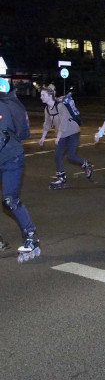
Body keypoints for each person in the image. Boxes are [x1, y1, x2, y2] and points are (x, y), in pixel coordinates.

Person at [0, 78, 40, 262]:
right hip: (11, 155)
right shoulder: (13, 104)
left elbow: (2, 137)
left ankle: (31, 237)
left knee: (10, 200)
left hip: (10, 158)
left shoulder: (3, 107)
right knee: (10, 200)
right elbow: (23, 133)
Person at [38, 84, 94, 189]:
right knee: (57, 156)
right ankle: (61, 178)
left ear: (50, 96)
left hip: (72, 131)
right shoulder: (47, 109)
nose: (41, 97)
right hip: (62, 134)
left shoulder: (60, 106)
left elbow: (64, 122)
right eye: (41, 95)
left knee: (70, 156)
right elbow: (47, 123)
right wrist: (42, 137)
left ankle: (85, 164)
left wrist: (58, 137)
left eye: (43, 95)